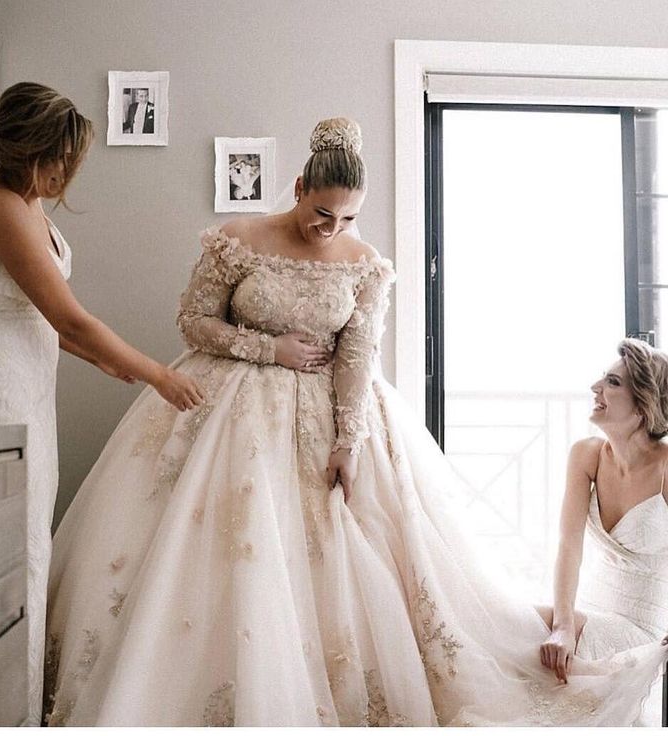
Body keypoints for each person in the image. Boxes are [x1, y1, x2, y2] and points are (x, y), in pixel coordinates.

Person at [44, 117, 667, 727]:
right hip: (231, 411)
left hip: (330, 414)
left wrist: (349, 439)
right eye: (322, 214)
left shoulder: (364, 263)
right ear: (297, 190)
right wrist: (270, 349)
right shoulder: (237, 239)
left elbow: (358, 353)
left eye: (347, 219)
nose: (331, 229)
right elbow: (194, 322)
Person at [0, 82, 204, 726]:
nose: (71, 173)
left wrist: (114, 362)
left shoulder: (25, 203)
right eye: (66, 159)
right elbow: (70, 322)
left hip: (29, 393)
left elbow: (60, 329)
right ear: (38, 154)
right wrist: (156, 377)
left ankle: (12, 712)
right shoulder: (2, 208)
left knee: (26, 555)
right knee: (3, 568)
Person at [539, 338, 668, 725]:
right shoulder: (587, 455)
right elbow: (568, 547)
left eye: (612, 382)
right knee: (516, 626)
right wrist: (563, 625)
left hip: (641, 627)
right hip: (588, 607)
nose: (595, 388)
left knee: (519, 632)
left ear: (643, 405)